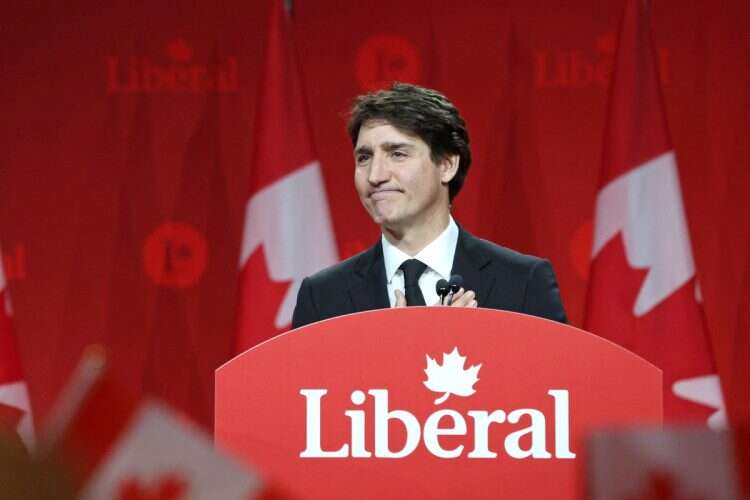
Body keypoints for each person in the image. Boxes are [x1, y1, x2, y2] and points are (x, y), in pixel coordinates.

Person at [292, 83, 566, 328]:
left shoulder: (523, 282)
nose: (375, 176)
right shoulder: (324, 297)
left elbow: (557, 383)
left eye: (397, 154)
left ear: (446, 165)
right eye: (364, 158)